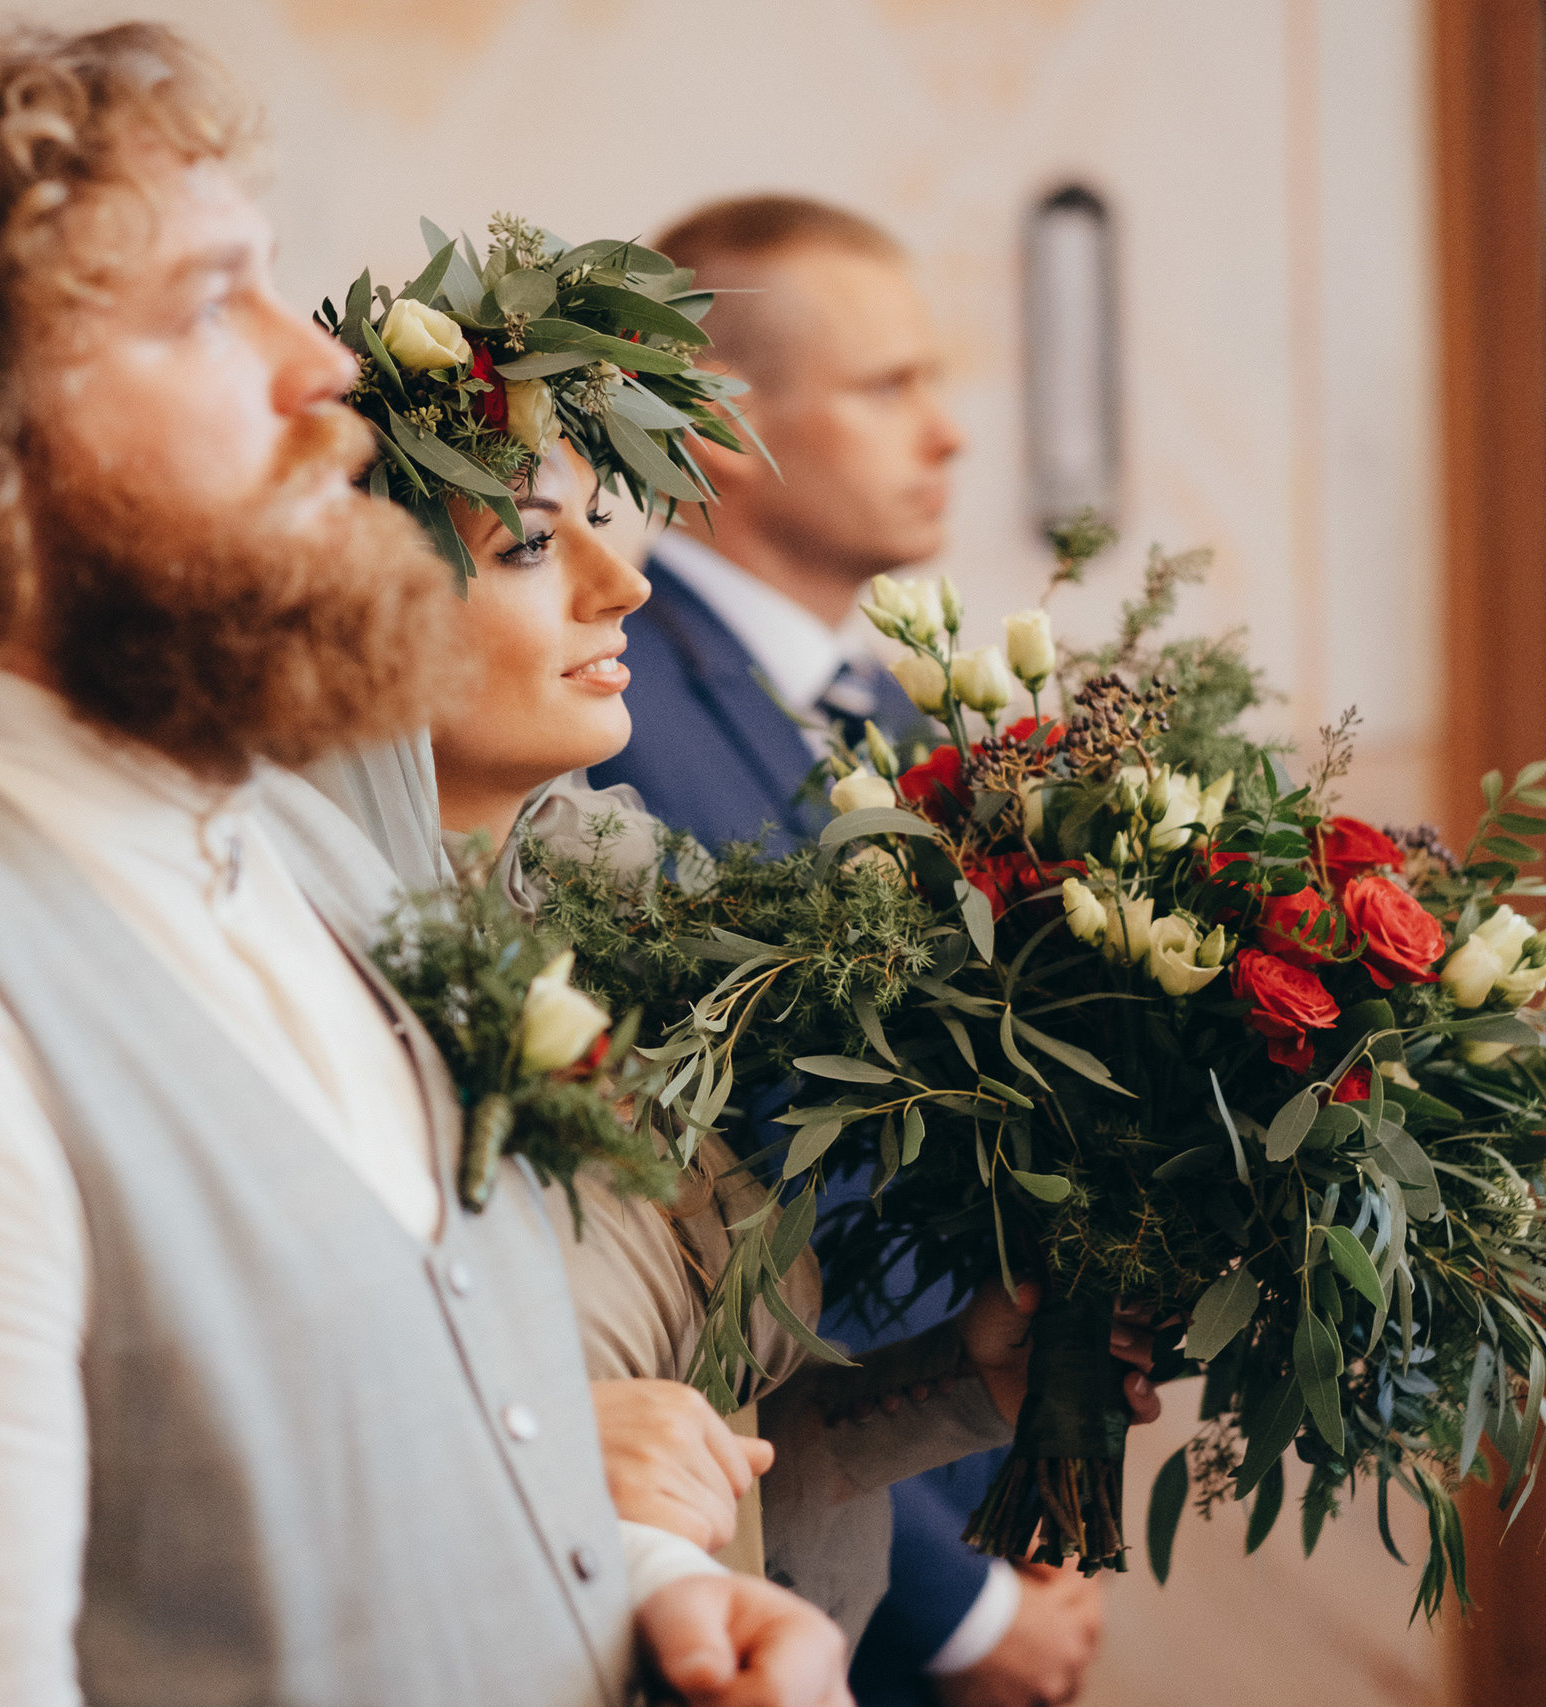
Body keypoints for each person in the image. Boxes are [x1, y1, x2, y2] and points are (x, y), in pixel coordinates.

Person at [0, 22, 850, 1706]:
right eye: (204, 305)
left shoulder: (292, 863)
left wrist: (658, 1594)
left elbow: (385, 1446)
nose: (317, 372)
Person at [334, 372, 1157, 1665]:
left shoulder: (613, 934)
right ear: (356, 621)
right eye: (536, 543)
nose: (626, 583)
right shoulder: (326, 1011)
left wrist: (958, 1380)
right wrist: (533, 1432)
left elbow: (716, 1448)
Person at [588, 195, 1114, 1707]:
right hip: (801, 1580)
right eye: (889, 388)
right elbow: (698, 1241)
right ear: (726, 425)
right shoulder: (617, 734)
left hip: (986, 1492)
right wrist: (954, 1612)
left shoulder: (898, 714)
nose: (947, 434)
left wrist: (1045, 1514)